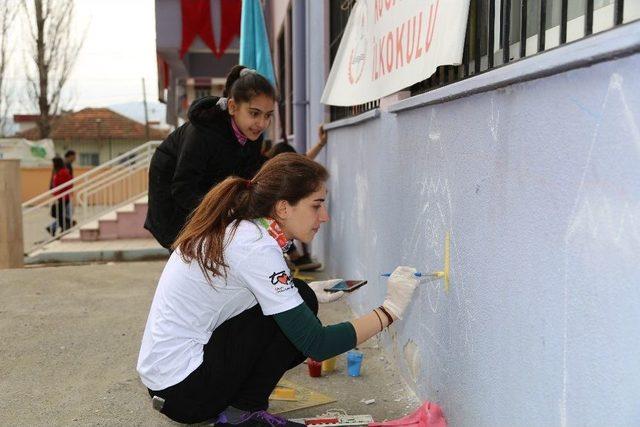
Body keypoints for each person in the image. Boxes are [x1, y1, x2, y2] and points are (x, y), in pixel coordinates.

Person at [137, 153, 419, 426]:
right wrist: (390, 310)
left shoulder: (244, 230)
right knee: (298, 312)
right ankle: (243, 414)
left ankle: (238, 406)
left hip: (172, 383)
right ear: (283, 208)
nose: (324, 217)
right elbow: (317, 345)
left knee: (301, 296)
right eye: (316, 205)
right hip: (185, 392)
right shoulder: (256, 247)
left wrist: (306, 290)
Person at [144, 65, 273, 249]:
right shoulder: (203, 132)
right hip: (174, 199)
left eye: (268, 115)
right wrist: (224, 209)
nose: (262, 123)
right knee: (190, 256)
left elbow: (248, 176)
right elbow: (183, 189)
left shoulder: (251, 134)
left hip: (207, 195)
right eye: (254, 113)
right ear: (232, 107)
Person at [265, 124, 329, 271]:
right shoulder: (260, 250)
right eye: (315, 205)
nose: (325, 217)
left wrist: (321, 143)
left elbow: (305, 159)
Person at [47, 156, 73, 235]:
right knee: (58, 213)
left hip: (63, 197)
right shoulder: (58, 171)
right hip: (61, 196)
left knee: (56, 212)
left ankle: (66, 225)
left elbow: (63, 185)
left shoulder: (62, 172)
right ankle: (64, 226)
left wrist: (57, 193)